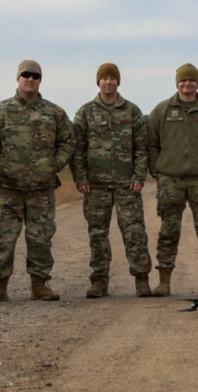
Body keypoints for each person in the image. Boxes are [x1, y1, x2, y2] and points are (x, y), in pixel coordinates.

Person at [0, 60, 75, 303]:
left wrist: (53, 166)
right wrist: (3, 166)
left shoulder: (54, 113)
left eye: (35, 75)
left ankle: (39, 285)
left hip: (41, 190)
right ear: (18, 78)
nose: (30, 79)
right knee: (4, 238)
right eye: (25, 75)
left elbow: (68, 142)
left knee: (40, 238)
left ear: (40, 79)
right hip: (8, 189)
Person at [70, 63, 153, 298]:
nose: (108, 82)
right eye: (104, 78)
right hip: (95, 186)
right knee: (98, 235)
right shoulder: (85, 112)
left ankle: (141, 280)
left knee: (135, 233)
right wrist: (81, 178)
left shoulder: (131, 111)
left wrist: (139, 177)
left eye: (112, 79)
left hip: (127, 185)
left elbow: (141, 148)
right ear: (98, 82)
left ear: (118, 82)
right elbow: (78, 149)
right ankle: (99, 282)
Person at [147, 63, 198, 297]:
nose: (187, 84)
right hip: (170, 181)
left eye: (191, 80)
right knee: (168, 231)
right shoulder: (161, 110)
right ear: (177, 83)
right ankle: (164, 282)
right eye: (183, 80)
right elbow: (152, 144)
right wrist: (158, 172)